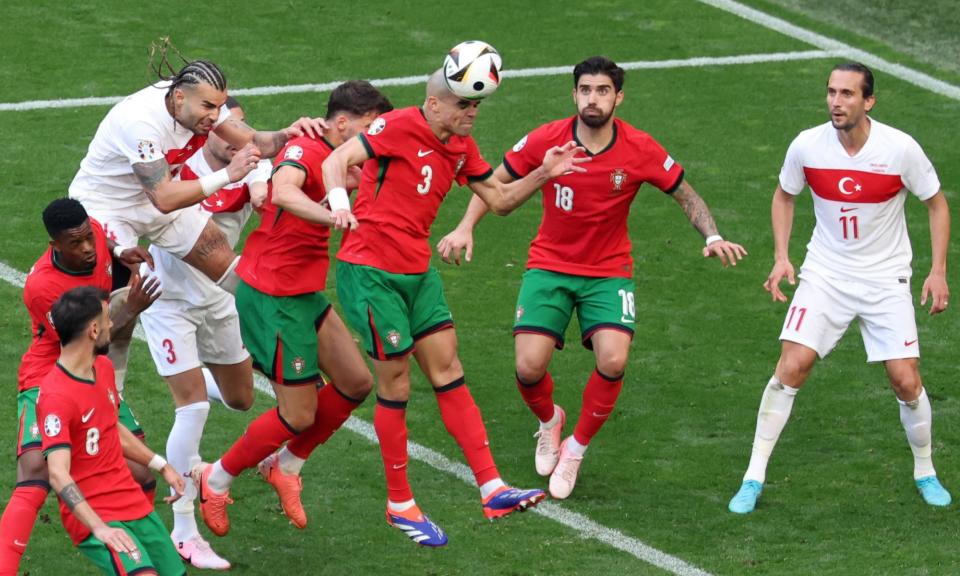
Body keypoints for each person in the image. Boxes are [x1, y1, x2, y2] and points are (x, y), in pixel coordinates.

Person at [438, 56, 746, 500]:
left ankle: (576, 449)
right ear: (574, 95)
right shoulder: (548, 139)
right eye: (585, 90)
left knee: (614, 360)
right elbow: (495, 182)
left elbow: (685, 193)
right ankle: (550, 423)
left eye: (603, 91)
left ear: (618, 97)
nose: (593, 99)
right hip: (549, 265)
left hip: (608, 271)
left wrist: (713, 234)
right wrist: (466, 226)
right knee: (527, 367)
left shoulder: (639, 148)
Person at [318, 69, 588, 547]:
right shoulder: (398, 125)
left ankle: (492, 487)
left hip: (418, 274)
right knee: (396, 381)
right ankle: (399, 503)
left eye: (476, 106)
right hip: (370, 273)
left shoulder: (463, 147)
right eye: (463, 105)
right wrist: (340, 203)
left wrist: (545, 172)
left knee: (449, 370)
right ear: (435, 104)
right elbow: (337, 160)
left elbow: (501, 200)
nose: (471, 114)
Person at [727, 62, 951, 514]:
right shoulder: (807, 146)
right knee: (791, 365)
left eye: (847, 94)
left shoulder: (900, 149)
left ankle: (925, 470)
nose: (836, 101)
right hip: (826, 273)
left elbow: (937, 205)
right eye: (831, 92)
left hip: (886, 277)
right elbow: (784, 196)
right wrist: (782, 256)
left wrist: (938, 270)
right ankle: (753, 477)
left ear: (868, 101)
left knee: (905, 378)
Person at [191, 81, 392, 539]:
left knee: (357, 382)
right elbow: (282, 191)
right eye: (368, 126)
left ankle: (286, 465)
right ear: (342, 123)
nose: (373, 135)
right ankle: (216, 478)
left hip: (302, 291)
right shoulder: (305, 148)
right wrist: (333, 215)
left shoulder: (347, 156)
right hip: (272, 295)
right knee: (297, 414)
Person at [68, 49, 324, 293]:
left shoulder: (198, 103)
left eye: (219, 107)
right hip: (108, 206)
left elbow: (253, 141)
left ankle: (277, 323)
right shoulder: (140, 123)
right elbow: (164, 198)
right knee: (120, 297)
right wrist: (228, 175)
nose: (215, 116)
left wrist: (289, 135)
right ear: (179, 97)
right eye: (208, 107)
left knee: (229, 267)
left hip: (157, 197)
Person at [0, 199, 159, 575]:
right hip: (49, 373)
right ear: (55, 246)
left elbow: (105, 245)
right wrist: (132, 308)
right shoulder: (43, 287)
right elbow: (91, 342)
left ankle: (137, 555)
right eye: (76, 244)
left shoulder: (96, 236)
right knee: (37, 472)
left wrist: (123, 254)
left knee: (141, 473)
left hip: (92, 373)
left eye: (89, 237)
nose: (88, 248)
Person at [139, 96, 263, 570]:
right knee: (190, 407)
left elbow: (270, 195)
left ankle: (200, 379)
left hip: (220, 297)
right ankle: (185, 530)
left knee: (241, 399)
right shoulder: (175, 167)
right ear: (203, 128)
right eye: (224, 128)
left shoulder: (250, 168)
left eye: (239, 129)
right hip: (168, 299)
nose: (233, 137)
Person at [38, 286, 185, 575]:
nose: (112, 325)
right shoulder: (56, 396)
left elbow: (110, 427)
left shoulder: (102, 368)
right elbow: (57, 473)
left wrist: (161, 465)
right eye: (107, 319)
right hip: (95, 513)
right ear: (94, 330)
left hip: (130, 500)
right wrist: (99, 528)